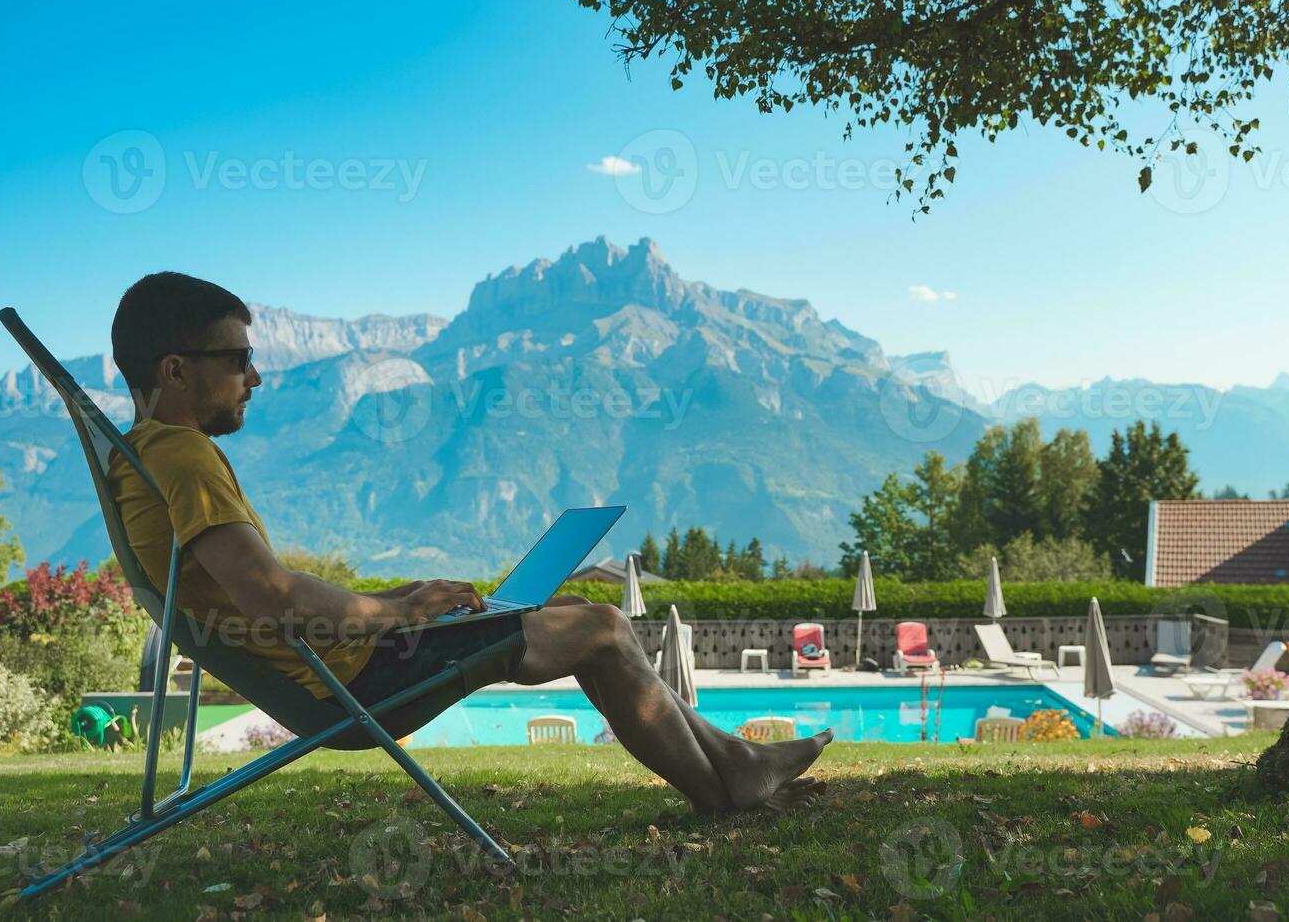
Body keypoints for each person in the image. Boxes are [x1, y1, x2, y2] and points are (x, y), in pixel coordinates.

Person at [106, 271, 830, 813]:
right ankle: (731, 784)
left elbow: (266, 593)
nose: (255, 376)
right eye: (238, 358)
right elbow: (271, 597)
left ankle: (734, 768)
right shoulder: (183, 455)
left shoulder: (145, 455)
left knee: (574, 606)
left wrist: (404, 598)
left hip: (345, 667)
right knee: (604, 625)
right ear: (175, 368)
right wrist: (401, 613)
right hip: (356, 682)